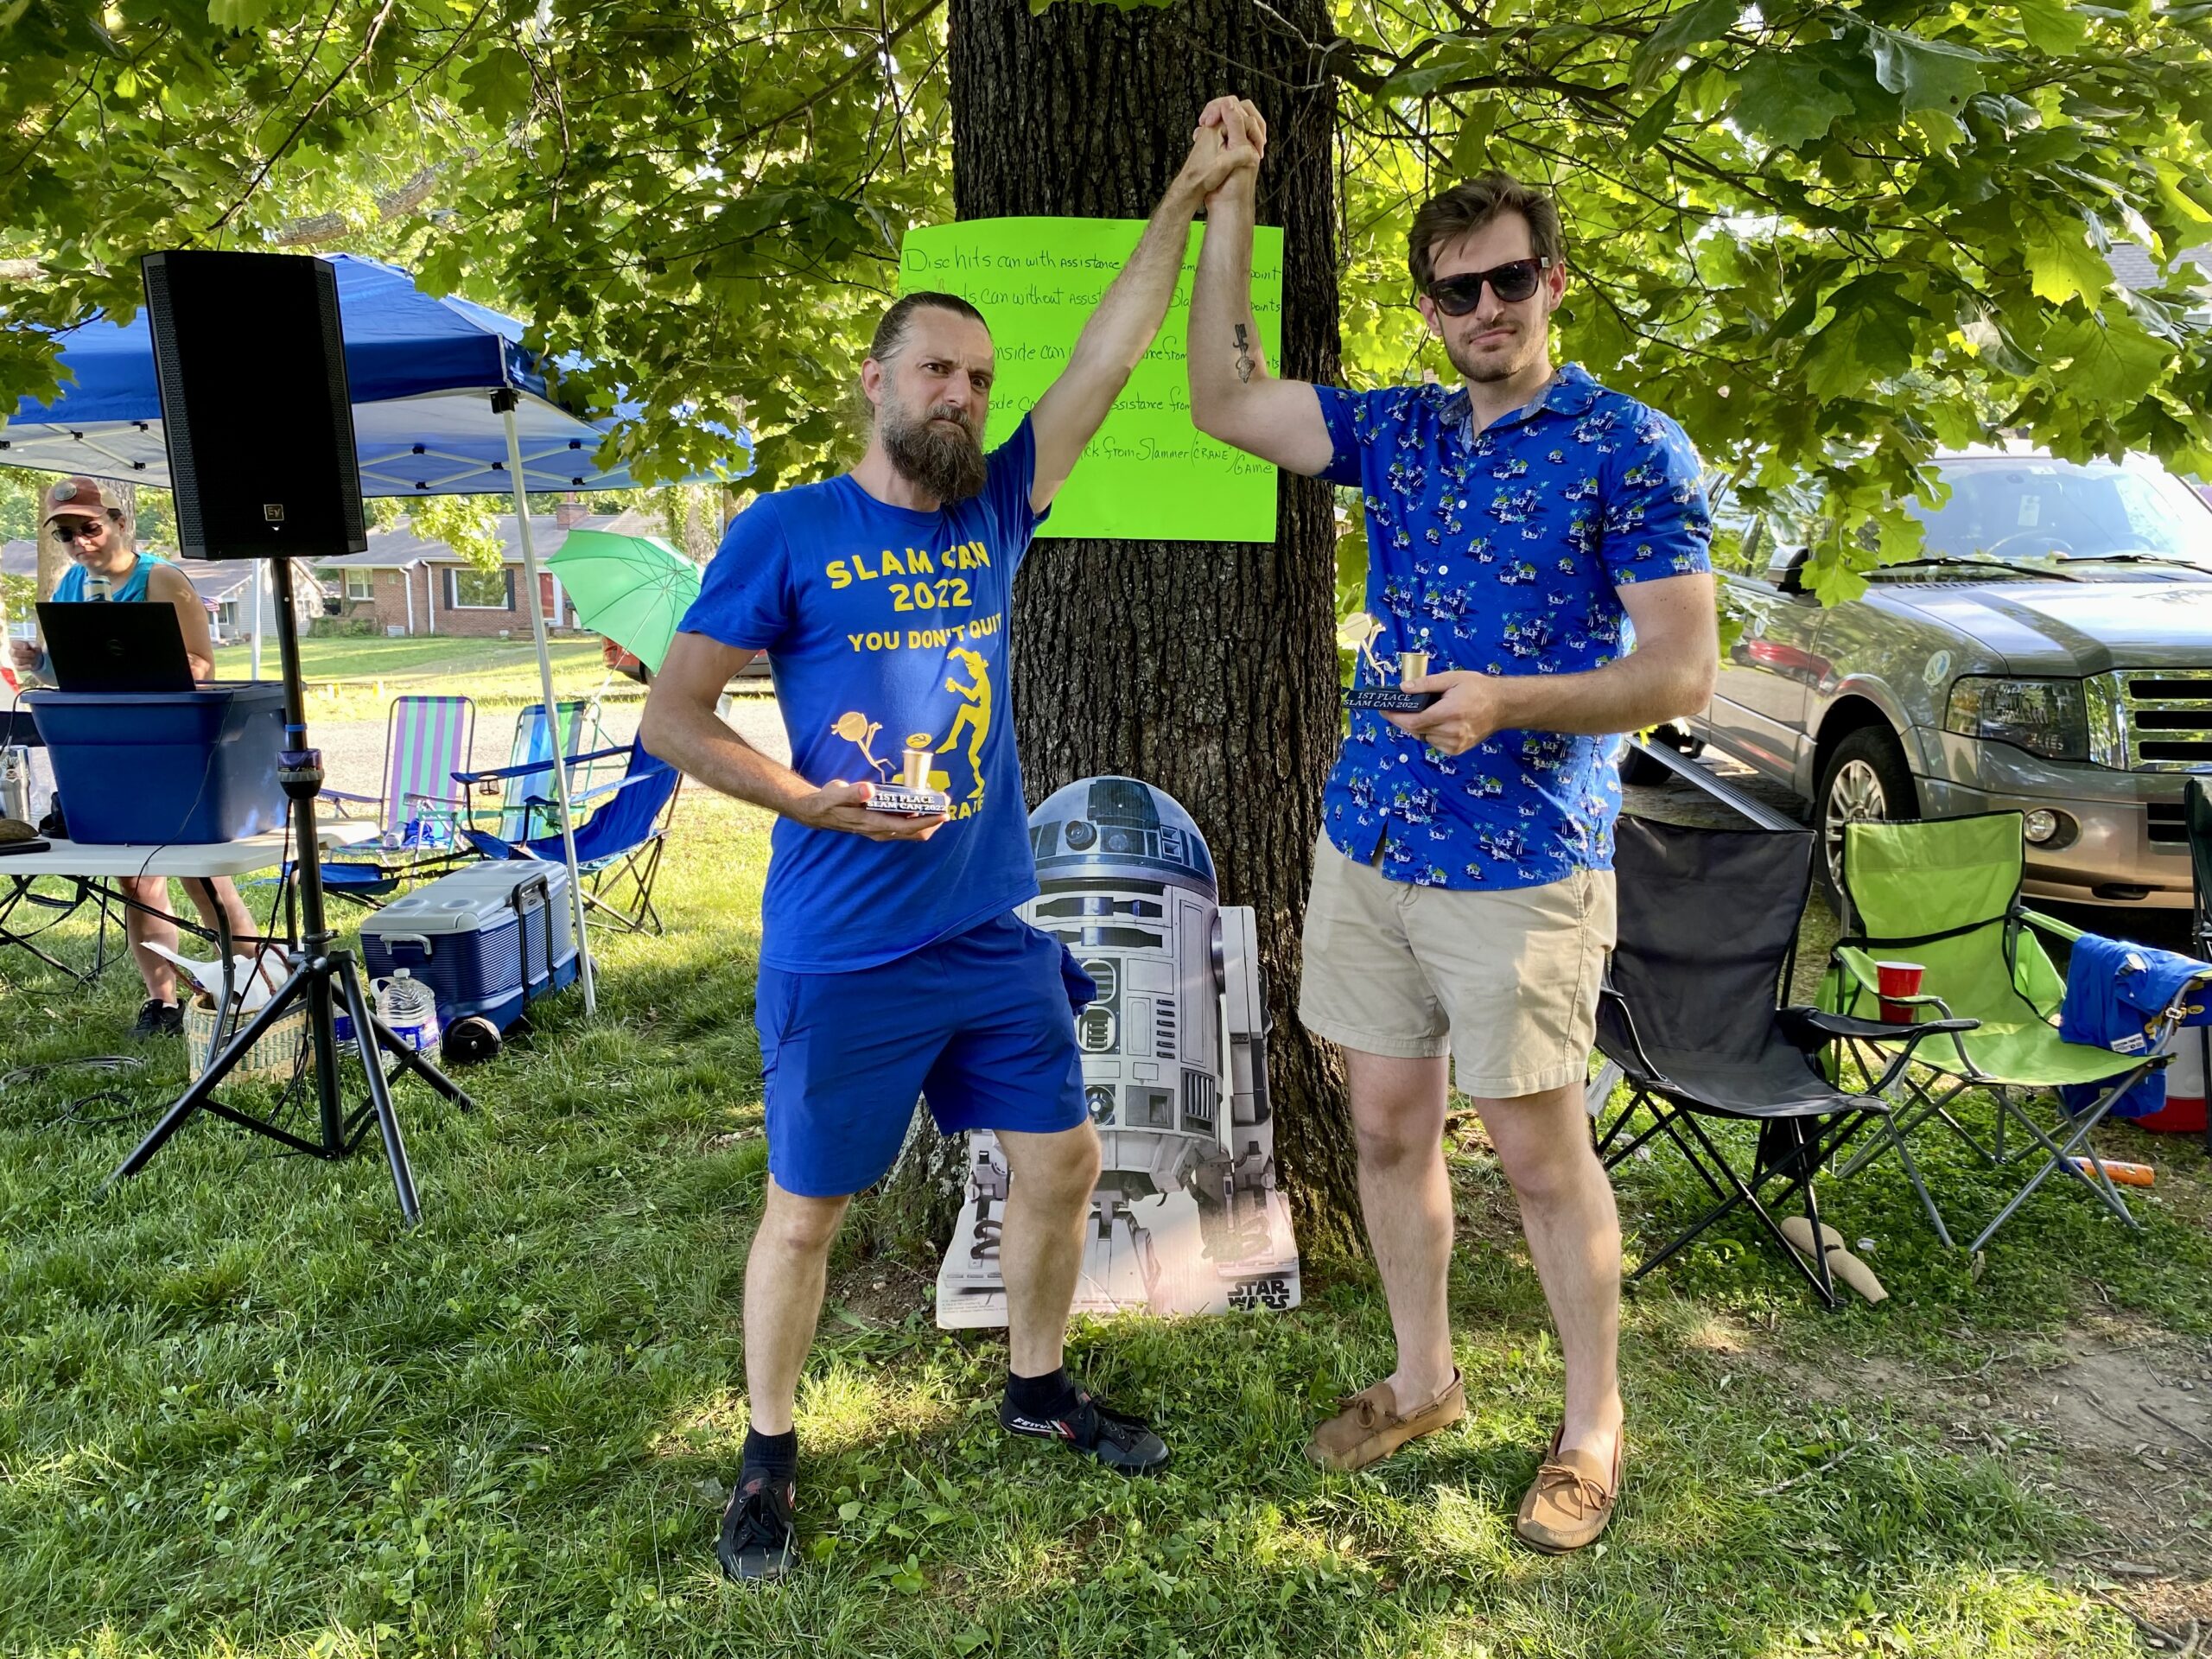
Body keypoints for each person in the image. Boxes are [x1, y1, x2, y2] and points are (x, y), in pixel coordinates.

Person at [640, 97, 1268, 1583]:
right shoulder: (784, 532)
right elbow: (674, 718)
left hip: (989, 928)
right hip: (845, 943)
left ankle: (1037, 1389)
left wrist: (1188, 195)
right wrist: (804, 799)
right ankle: (767, 1453)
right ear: (875, 380)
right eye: (937, 368)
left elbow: (1107, 359)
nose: (962, 394)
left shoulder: (992, 511)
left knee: (1063, 1161)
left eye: (980, 378)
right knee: (807, 1216)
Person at [1188, 120, 1718, 1553]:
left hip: (1522, 862)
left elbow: (1681, 674)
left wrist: (1511, 700)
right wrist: (1231, 196)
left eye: (1510, 280)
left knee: (1541, 1160)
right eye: (1458, 288)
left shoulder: (1631, 449)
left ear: (1555, 284)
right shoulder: (1406, 433)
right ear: (1428, 306)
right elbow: (1224, 398)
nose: (1487, 308)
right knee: (1384, 1125)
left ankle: (1593, 1427)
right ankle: (1425, 1380)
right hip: (1373, 840)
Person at [10, 475, 258, 1039]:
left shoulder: (162, 579)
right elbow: (69, 670)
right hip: (104, 749)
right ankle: (162, 1003)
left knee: (203, 878)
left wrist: (149, 663)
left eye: (89, 528)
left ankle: (252, 986)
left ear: (119, 523)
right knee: (138, 883)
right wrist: (37, 662)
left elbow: (202, 666)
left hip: (170, 746)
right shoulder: (71, 584)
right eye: (66, 534)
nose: (80, 542)